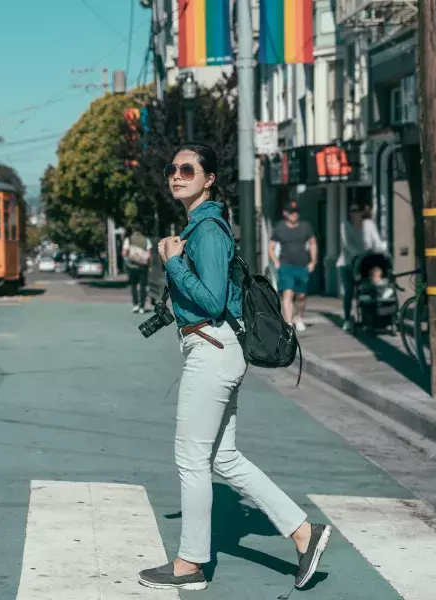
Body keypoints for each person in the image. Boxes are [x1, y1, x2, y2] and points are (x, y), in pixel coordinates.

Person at [137, 143, 332, 592]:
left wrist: (171, 264)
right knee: (223, 456)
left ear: (209, 179)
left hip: (211, 349)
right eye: (172, 168)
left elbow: (208, 298)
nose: (177, 175)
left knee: (191, 458)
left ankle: (190, 564)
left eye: (188, 169)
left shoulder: (207, 230)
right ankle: (305, 534)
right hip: (218, 349)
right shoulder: (201, 226)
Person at [337, 203, 388, 330]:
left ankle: (372, 317)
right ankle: (348, 318)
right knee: (349, 291)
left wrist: (381, 250)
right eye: (353, 212)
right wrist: (359, 254)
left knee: (369, 288)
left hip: (365, 262)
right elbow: (347, 244)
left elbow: (376, 241)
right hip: (347, 263)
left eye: (358, 212)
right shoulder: (345, 226)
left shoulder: (369, 224)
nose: (355, 215)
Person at [268, 201, 317, 332]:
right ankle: (289, 322)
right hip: (286, 266)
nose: (294, 215)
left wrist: (313, 261)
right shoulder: (279, 228)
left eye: (296, 212)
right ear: (285, 213)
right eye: (291, 212)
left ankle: (299, 317)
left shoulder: (305, 227)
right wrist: (276, 262)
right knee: (287, 294)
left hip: (302, 266)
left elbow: (312, 243)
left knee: (301, 295)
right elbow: (271, 247)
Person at [122, 227, 152, 314]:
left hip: (132, 267)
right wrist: (149, 265)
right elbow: (149, 255)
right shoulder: (146, 240)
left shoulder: (129, 239)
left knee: (133, 286)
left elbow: (124, 253)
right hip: (143, 267)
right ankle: (142, 307)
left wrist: (129, 258)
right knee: (143, 286)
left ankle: (135, 305)